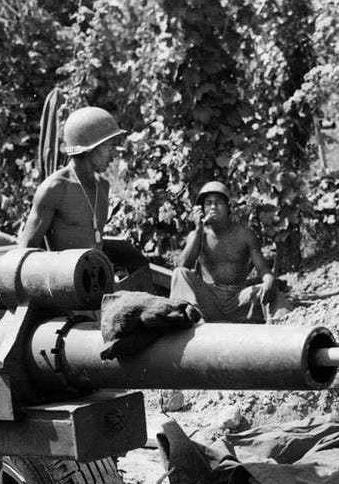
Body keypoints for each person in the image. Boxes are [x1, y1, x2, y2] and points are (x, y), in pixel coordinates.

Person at [18, 105, 152, 287]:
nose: (115, 154)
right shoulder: (56, 188)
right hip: (63, 287)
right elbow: (25, 250)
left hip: (96, 285)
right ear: (90, 148)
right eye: (111, 146)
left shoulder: (102, 186)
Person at [169, 181, 277, 323]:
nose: (213, 207)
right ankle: (187, 321)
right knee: (179, 273)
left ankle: (286, 326)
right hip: (209, 302)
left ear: (228, 207)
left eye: (219, 202)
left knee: (272, 291)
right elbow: (183, 266)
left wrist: (268, 281)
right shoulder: (197, 235)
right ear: (201, 209)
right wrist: (198, 229)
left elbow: (263, 269)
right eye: (208, 203)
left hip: (238, 300)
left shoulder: (245, 235)